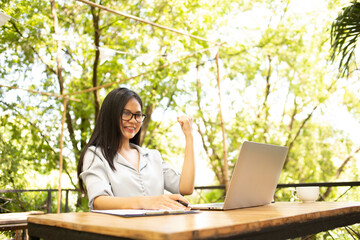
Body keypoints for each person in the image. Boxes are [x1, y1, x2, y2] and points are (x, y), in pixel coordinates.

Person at [77, 87, 195, 210]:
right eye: (126, 113)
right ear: (111, 115)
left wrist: (189, 136)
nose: (133, 121)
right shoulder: (95, 155)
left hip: (158, 227)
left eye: (138, 115)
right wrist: (146, 202)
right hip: (120, 229)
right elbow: (99, 201)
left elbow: (186, 187)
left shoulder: (152, 156)